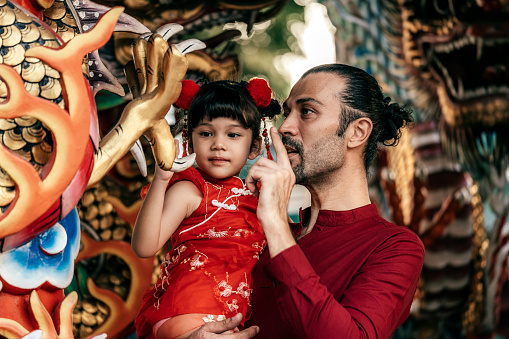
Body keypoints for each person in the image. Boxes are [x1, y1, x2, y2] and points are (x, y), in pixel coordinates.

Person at [188, 63, 425, 338]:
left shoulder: (395, 247)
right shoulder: (258, 231)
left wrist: (276, 223)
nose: (285, 126)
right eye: (287, 112)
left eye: (307, 112)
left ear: (356, 132)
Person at [131, 78, 281, 339]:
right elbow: (144, 247)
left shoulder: (255, 194)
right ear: (189, 139)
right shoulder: (191, 190)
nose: (218, 144)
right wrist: (161, 179)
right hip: (186, 312)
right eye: (206, 133)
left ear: (254, 145)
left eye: (233, 134)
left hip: (227, 318)